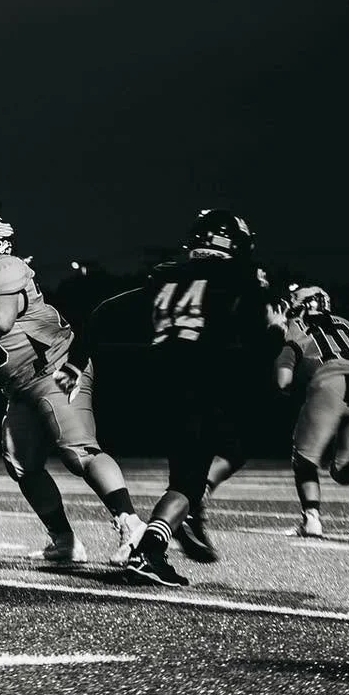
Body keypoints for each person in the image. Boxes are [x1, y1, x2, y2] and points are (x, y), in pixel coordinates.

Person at [0, 209, 144, 565]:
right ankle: (64, 541)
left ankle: (131, 523)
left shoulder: (1, 268)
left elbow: (1, 321)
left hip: (55, 370)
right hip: (19, 386)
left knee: (78, 452)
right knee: (22, 463)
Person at [114, 209, 289, 587]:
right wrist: (275, 333)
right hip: (202, 382)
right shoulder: (241, 274)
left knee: (202, 468)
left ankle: (180, 521)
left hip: (156, 382)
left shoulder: (164, 273)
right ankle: (149, 551)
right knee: (192, 481)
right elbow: (260, 339)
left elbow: (113, 314)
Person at [275, 285, 349, 536]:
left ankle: (312, 521)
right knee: (342, 468)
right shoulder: (345, 324)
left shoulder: (297, 324)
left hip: (331, 382)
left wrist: (283, 386)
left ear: (305, 304)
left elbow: (287, 361)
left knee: (304, 459)